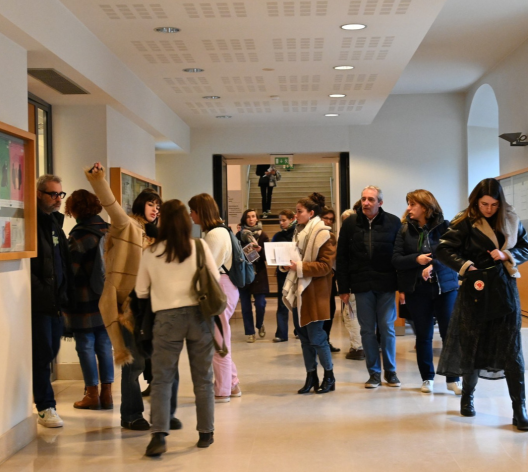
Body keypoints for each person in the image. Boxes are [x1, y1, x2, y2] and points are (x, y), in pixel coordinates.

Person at [86, 163, 179, 431]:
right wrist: (98, 179)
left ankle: (154, 413)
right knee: (134, 362)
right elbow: (111, 205)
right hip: (127, 307)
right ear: (141, 205)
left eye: (158, 206)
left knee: (151, 362)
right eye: (151, 204)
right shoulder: (126, 226)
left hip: (151, 308)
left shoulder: (153, 236)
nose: (155, 209)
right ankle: (130, 415)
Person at [436, 178, 528, 430]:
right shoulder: (465, 220)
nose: (488, 209)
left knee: (512, 350)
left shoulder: (511, 218)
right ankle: (467, 397)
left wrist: (507, 254)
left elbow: (526, 247)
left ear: (501, 203)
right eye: (484, 204)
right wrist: (467, 267)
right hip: (475, 290)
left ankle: (519, 409)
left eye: (494, 204)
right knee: (471, 343)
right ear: (476, 201)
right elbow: (442, 250)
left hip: (505, 289)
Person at [136, 199, 217, 456]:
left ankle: (158, 434)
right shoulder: (200, 246)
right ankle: (206, 433)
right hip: (199, 317)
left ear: (162, 222)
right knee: (203, 379)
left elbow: (140, 291)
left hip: (166, 319)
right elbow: (214, 279)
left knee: (162, 380)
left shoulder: (150, 253)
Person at [392, 189, 460, 394]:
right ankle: (427, 378)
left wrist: (434, 264)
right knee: (423, 335)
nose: (408, 208)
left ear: (425, 207)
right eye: (408, 204)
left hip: (445, 288)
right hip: (417, 290)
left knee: (450, 334)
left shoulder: (446, 227)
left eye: (412, 204)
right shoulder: (404, 230)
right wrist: (417, 260)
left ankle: (453, 379)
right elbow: (395, 259)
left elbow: (455, 254)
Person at [336, 186, 402, 389]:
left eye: (371, 199)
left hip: (386, 284)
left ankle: (390, 372)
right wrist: (343, 288)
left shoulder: (393, 222)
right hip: (361, 284)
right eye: (364, 199)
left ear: (380, 203)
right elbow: (342, 257)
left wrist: (403, 287)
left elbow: (399, 255)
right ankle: (374, 373)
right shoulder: (349, 224)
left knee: (387, 327)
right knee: (366, 330)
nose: (366, 203)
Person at [63, 189, 114, 410]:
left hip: (84, 299)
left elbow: (70, 269)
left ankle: (92, 393)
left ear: (74, 209)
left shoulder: (79, 235)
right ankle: (108, 394)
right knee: (104, 343)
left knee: (85, 345)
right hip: (106, 297)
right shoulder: (109, 230)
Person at [189, 193, 241, 403]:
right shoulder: (220, 231)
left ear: (200, 211)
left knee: (219, 342)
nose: (191, 215)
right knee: (219, 338)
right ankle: (232, 384)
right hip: (224, 287)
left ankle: (222, 391)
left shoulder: (215, 235)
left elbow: (206, 269)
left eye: (192, 211)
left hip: (219, 288)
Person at [283, 193, 337, 394]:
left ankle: (329, 377)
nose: (296, 215)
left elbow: (325, 266)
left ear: (311, 213)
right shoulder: (298, 233)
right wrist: (287, 266)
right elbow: (295, 260)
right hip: (299, 291)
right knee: (304, 339)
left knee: (317, 338)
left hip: (315, 293)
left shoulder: (324, 234)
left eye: (299, 211)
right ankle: (311, 376)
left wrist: (299, 267)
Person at [31, 174, 73, 428]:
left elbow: (62, 263)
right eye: (52, 194)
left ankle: (45, 401)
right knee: (42, 354)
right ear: (39, 194)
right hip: (40, 302)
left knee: (52, 350)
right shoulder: (33, 223)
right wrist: (42, 290)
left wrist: (64, 293)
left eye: (60, 194)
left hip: (56, 301)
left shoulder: (55, 225)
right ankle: (46, 405)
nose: (58, 199)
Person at [238, 209, 270, 342]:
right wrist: (245, 252)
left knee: (260, 304)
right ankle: (250, 332)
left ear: (257, 219)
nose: (251, 219)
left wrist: (260, 250)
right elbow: (236, 252)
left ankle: (260, 324)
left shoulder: (263, 236)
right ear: (245, 219)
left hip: (259, 274)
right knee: (245, 306)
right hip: (244, 273)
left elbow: (267, 256)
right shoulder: (238, 235)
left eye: (253, 217)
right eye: (248, 217)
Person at [340, 208, 364, 361]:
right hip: (360, 282)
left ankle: (357, 347)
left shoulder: (351, 240)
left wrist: (344, 287)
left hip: (354, 283)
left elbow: (344, 262)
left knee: (351, 315)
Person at [271, 209, 297, 342]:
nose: (281, 223)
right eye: (280, 220)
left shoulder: (298, 234)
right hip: (282, 273)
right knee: (282, 302)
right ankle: (281, 333)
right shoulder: (277, 236)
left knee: (297, 301)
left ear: (292, 219)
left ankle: (299, 330)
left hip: (297, 272)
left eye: (284, 220)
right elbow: (271, 255)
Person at [321, 208, 340, 353]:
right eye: (325, 218)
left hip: (330, 278)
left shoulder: (331, 236)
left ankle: (326, 341)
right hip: (317, 280)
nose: (328, 221)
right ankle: (319, 343)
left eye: (331, 219)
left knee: (331, 310)